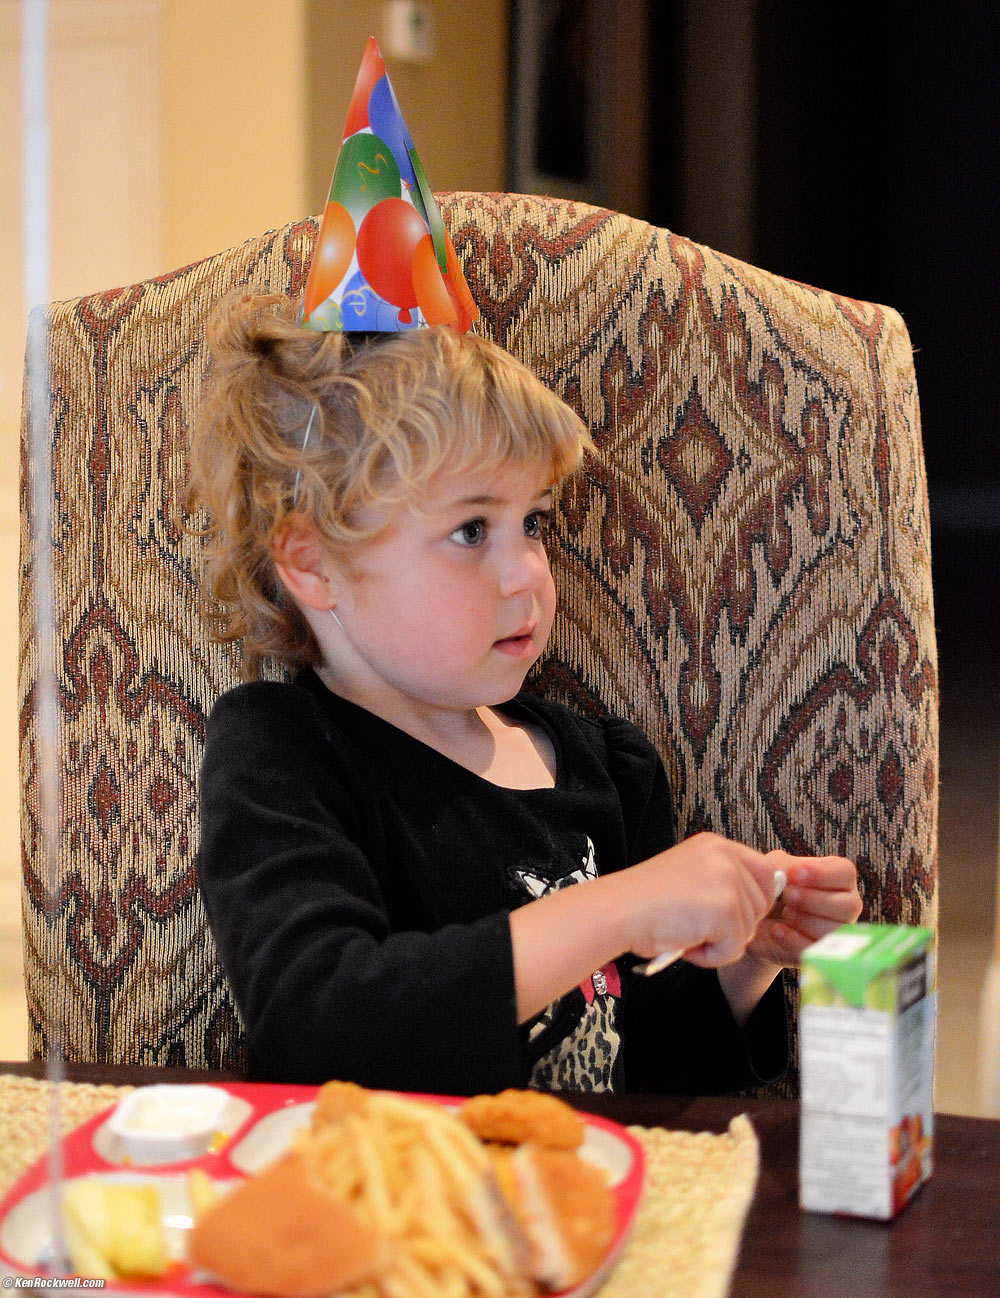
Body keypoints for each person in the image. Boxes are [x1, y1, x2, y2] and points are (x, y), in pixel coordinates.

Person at [190, 291, 862, 1095]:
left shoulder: (604, 769)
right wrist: (619, 908)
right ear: (313, 564)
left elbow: (666, 1081)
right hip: (387, 1201)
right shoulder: (283, 754)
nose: (529, 576)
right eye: (472, 531)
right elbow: (318, 1024)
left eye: (534, 524)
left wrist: (746, 955)